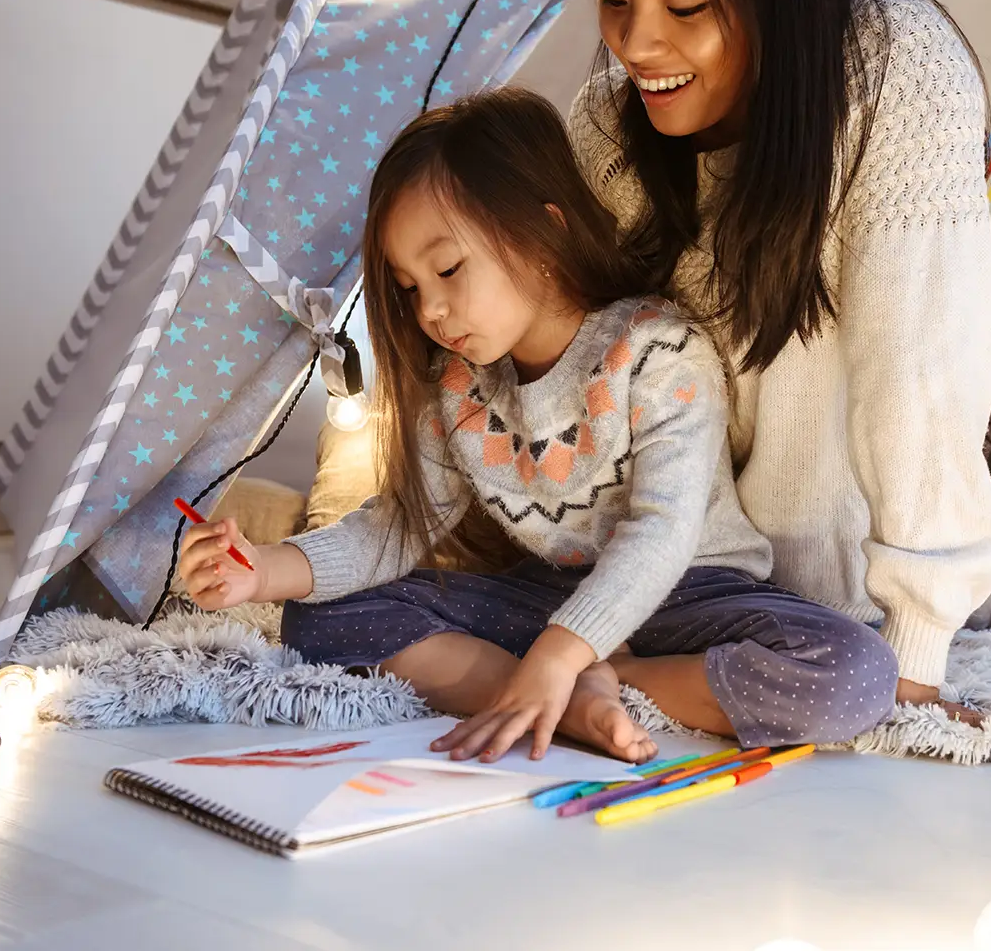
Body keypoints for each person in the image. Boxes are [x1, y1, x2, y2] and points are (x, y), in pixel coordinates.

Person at [177, 88, 898, 764]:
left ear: (542, 234)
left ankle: (599, 678)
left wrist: (563, 654)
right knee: (319, 618)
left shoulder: (659, 350)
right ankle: (564, 699)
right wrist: (264, 569)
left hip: (691, 595)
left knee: (858, 673)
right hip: (553, 596)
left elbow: (662, 534)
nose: (429, 310)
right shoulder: (458, 387)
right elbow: (396, 528)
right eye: (409, 288)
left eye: (448, 270)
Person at [569, 0, 991, 723]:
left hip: (819, 612)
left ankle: (577, 677)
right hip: (641, 585)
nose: (636, 43)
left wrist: (914, 655)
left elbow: (917, 374)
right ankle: (578, 672)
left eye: (686, 6)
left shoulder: (891, 64)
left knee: (845, 681)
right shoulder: (605, 127)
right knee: (351, 614)